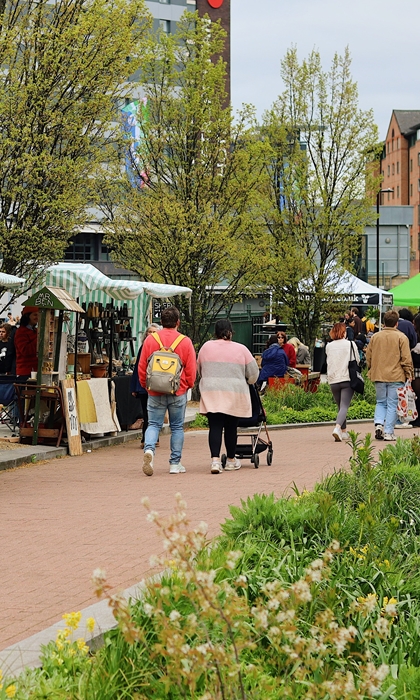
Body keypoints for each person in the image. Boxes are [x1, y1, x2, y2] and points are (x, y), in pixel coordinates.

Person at [139, 306, 196, 476]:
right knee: (177, 427)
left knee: (153, 424)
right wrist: (187, 385)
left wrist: (146, 385)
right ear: (178, 322)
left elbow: (142, 366)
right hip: (177, 390)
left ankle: (149, 451)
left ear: (161, 322)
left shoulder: (150, 340)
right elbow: (191, 369)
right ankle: (175, 463)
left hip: (155, 390)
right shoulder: (185, 341)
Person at [197, 319, 259, 474]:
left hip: (212, 391)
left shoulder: (205, 347)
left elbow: (199, 369)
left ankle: (215, 461)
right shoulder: (241, 349)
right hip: (234, 392)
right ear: (231, 332)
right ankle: (231, 460)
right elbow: (253, 375)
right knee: (231, 427)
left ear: (215, 332)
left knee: (215, 426)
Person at [366, 309, 413, 441]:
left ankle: (379, 424)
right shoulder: (401, 337)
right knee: (392, 404)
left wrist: (371, 368)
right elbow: (406, 358)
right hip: (396, 376)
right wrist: (409, 373)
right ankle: (388, 432)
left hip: (379, 375)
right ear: (397, 323)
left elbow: (368, 356)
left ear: (384, 322)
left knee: (380, 402)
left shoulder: (375, 337)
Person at [325, 322, 359, 442]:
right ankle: (337, 428)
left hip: (333, 379)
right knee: (344, 406)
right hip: (347, 378)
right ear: (344, 332)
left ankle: (344, 432)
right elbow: (357, 360)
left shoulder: (329, 346)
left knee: (340, 406)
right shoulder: (350, 344)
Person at [130, 323, 161, 445]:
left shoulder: (161, 348)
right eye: (150, 332)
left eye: (154, 332)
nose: (152, 334)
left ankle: (152, 438)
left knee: (154, 412)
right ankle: (147, 438)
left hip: (157, 384)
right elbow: (138, 367)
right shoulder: (143, 347)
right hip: (144, 386)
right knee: (147, 412)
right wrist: (135, 387)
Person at [14, 306, 38, 382]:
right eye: (35, 315)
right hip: (25, 372)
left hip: (35, 370)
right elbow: (25, 350)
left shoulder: (36, 330)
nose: (37, 317)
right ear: (27, 316)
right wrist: (39, 339)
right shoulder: (21, 332)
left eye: (38, 315)